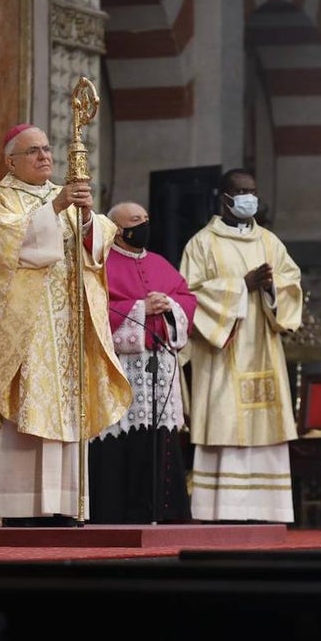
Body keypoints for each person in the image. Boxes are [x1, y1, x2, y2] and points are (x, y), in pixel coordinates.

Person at [0, 123, 131, 527]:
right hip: (22, 331)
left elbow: (97, 245)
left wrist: (88, 220)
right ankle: (17, 510)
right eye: (33, 151)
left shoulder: (63, 198)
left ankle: (63, 505)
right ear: (11, 161)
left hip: (65, 331)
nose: (45, 156)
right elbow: (2, 246)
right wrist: (57, 208)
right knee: (23, 409)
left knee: (65, 410)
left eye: (47, 149)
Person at [179, 168, 303, 522]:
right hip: (223, 351)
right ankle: (221, 510)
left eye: (253, 191)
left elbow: (292, 284)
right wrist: (240, 286)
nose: (250, 197)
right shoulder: (201, 244)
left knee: (266, 424)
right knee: (225, 420)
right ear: (225, 198)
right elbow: (187, 297)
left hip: (262, 346)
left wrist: (271, 288)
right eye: (242, 191)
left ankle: (266, 510)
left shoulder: (270, 242)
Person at [88, 201, 197, 523]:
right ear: (117, 231)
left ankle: (164, 512)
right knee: (121, 438)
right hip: (120, 367)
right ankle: (117, 514)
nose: (144, 226)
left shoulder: (160, 263)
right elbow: (94, 310)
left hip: (158, 364)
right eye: (136, 221)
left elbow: (188, 300)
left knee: (159, 436)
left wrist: (169, 305)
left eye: (146, 219)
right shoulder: (101, 265)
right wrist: (139, 309)